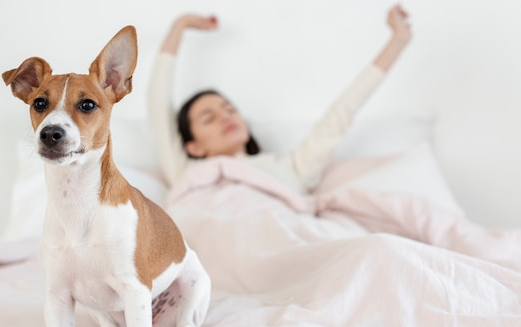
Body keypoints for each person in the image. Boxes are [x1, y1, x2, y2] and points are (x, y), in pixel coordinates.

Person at [148, 5, 412, 194]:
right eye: (209, 118)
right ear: (194, 148)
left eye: (229, 109)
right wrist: (179, 26)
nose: (225, 116)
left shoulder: (291, 168)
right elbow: (157, 102)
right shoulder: (187, 173)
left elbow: (342, 112)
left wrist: (398, 40)